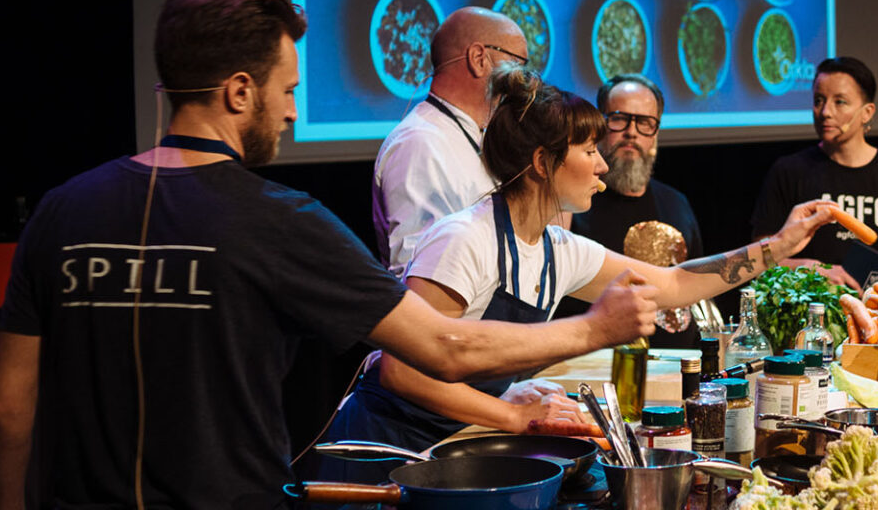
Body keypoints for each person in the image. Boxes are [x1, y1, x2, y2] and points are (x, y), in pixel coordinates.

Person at [0, 0, 657, 510]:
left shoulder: (61, 212)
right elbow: (443, 347)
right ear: (239, 90)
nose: (294, 112)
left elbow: (4, 414)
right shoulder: (281, 220)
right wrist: (595, 327)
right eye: (288, 90)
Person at [325, 64, 841, 452]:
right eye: (587, 149)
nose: (601, 163)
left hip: (455, 440)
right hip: (385, 448)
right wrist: (515, 414)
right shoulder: (465, 239)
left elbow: (675, 285)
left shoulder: (559, 249)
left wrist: (780, 245)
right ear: (542, 163)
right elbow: (402, 372)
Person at [750, 56, 878, 288]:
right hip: (813, 314)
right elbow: (762, 259)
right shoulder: (788, 171)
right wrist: (815, 271)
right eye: (819, 100)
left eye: (840, 102)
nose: (825, 111)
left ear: (867, 113)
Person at [372, 6, 531, 276]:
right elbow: (420, 277)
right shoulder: (420, 144)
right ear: (479, 59)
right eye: (518, 62)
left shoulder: (471, 133)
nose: (525, 78)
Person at [566, 74, 704, 348]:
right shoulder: (574, 205)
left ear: (656, 133)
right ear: (600, 125)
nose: (632, 132)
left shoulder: (677, 203)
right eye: (619, 118)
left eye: (645, 123)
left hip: (677, 374)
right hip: (595, 371)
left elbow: (695, 290)